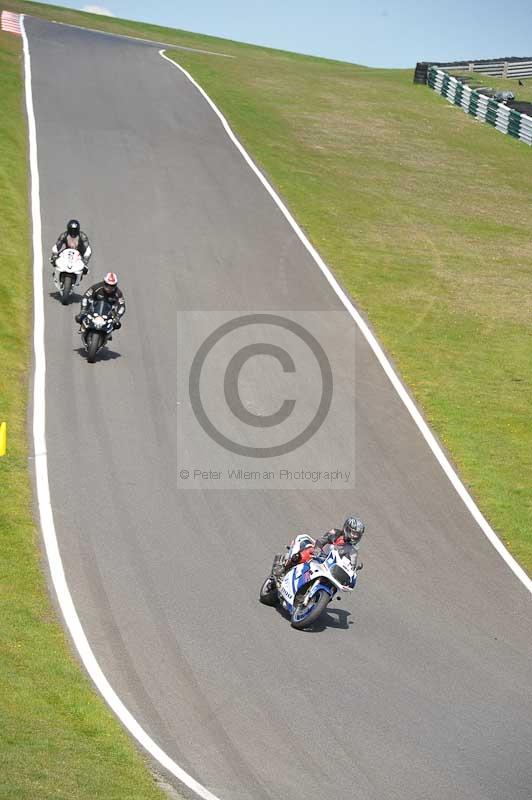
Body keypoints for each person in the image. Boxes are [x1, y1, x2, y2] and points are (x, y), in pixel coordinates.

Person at [270, 516, 365, 582]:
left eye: (357, 535)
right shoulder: (335, 533)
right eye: (353, 533)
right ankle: (283, 568)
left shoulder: (352, 550)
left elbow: (351, 565)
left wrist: (352, 572)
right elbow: (322, 540)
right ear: (347, 529)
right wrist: (317, 549)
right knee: (306, 552)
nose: (354, 536)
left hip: (331, 568)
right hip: (320, 557)